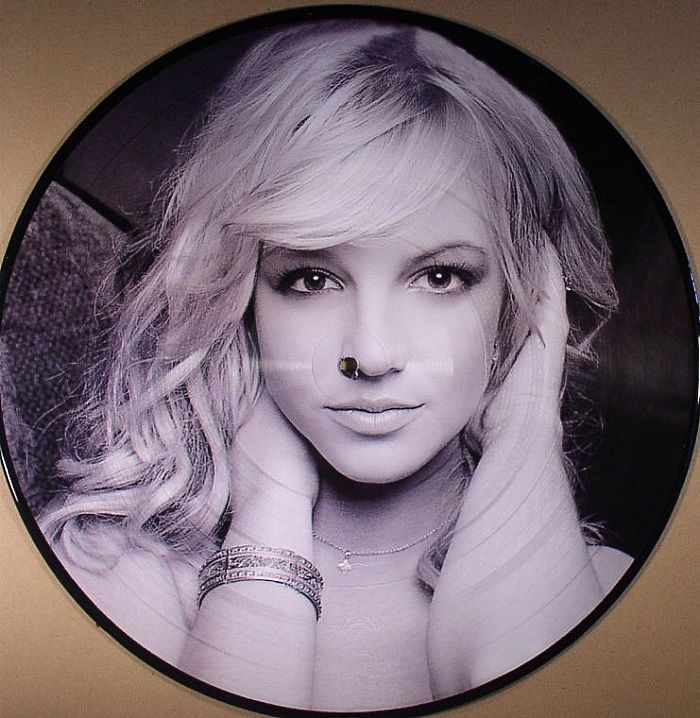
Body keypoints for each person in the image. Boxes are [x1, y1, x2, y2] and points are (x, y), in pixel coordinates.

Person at [38, 20, 632, 712]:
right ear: (239, 296)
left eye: (440, 277)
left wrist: (527, 434)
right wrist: (269, 521)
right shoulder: (105, 576)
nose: (371, 355)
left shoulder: (614, 598)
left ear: (523, 302)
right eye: (313, 279)